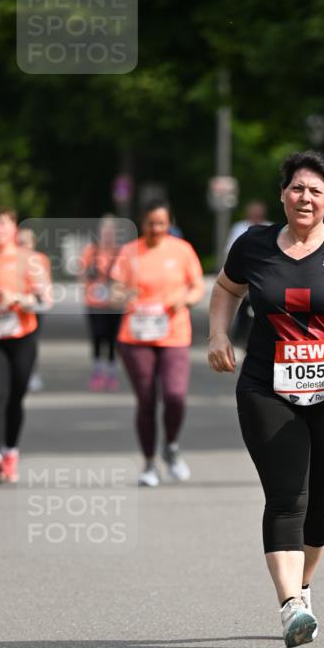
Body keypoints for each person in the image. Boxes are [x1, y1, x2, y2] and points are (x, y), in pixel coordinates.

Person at [208, 151, 324, 648]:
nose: (305, 197)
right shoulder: (254, 246)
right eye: (296, 188)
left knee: (321, 498)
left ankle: (305, 585)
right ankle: (290, 604)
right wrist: (216, 335)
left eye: (316, 190)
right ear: (282, 194)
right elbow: (226, 289)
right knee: (287, 494)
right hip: (266, 388)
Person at [111, 200, 205, 487]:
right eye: (151, 223)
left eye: (161, 223)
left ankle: (172, 446)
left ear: (169, 224)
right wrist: (122, 295)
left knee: (175, 395)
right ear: (142, 223)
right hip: (136, 336)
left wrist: (185, 300)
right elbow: (114, 289)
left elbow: (197, 286)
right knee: (147, 400)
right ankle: (149, 462)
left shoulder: (181, 250)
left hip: (173, 333)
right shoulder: (130, 252)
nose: (156, 229)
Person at [0, 208, 52, 482]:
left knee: (15, 397)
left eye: (3, 224)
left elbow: (45, 300)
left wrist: (18, 298)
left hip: (22, 336)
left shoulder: (32, 260)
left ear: (14, 229)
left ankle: (10, 450)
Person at [79, 214, 122, 391]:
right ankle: (97, 372)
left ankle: (111, 374)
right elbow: (81, 274)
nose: (107, 234)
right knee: (97, 337)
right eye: (105, 231)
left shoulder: (121, 252)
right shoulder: (91, 250)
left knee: (112, 339)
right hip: (94, 302)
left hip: (114, 304)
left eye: (111, 231)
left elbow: (126, 276)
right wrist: (88, 287)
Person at [224, 201, 272, 347]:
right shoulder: (239, 227)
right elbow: (230, 251)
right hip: (244, 272)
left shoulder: (270, 227)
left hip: (263, 275)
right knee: (241, 308)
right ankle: (239, 337)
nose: (256, 215)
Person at [17, 226, 51, 393]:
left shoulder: (40, 259)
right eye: (20, 241)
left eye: (26, 242)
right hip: (15, 308)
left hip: (35, 306)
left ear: (33, 243)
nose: (23, 245)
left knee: (31, 341)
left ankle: (32, 373)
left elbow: (45, 285)